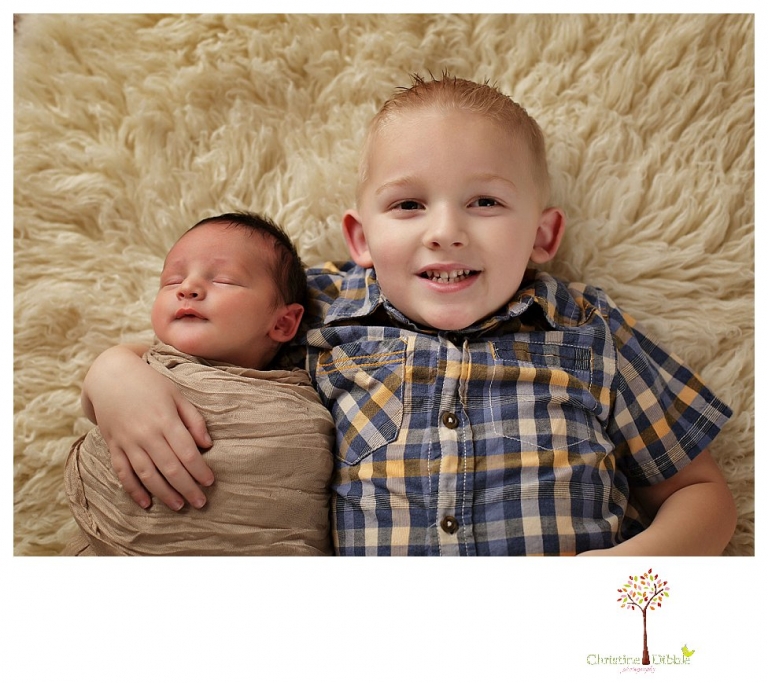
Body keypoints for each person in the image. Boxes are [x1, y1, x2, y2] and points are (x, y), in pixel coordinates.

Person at [81, 75, 737, 556]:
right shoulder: (324, 310)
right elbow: (195, 334)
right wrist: (114, 374)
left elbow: (701, 493)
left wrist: (620, 574)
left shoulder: (585, 328)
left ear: (543, 235)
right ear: (360, 240)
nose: (446, 231)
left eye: (483, 201)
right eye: (407, 206)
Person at [65, 212, 335, 555]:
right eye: (171, 280)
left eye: (224, 279)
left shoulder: (299, 400)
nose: (187, 288)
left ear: (282, 322)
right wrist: (113, 370)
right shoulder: (137, 365)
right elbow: (96, 400)